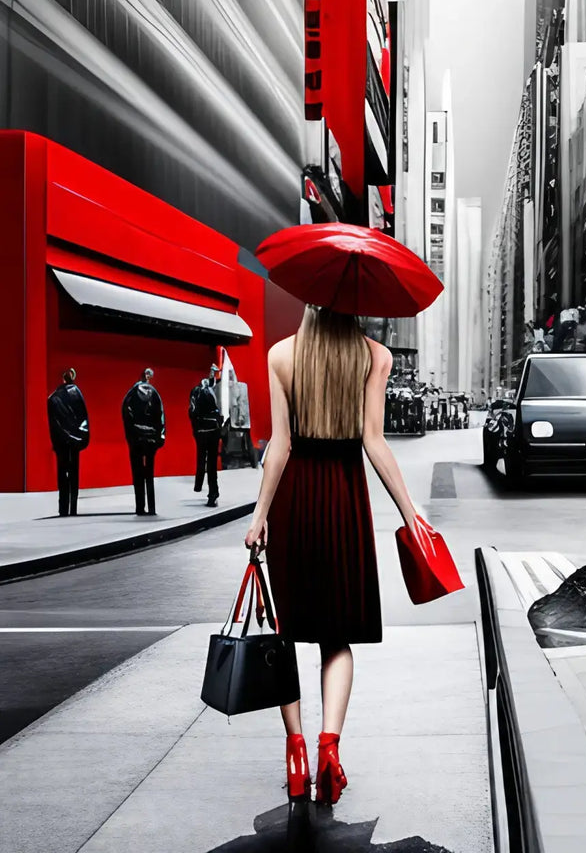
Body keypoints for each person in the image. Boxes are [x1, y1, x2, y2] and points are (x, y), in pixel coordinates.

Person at [243, 306, 428, 806]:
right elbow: (374, 442)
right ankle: (330, 748)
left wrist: (260, 517)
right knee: (336, 636)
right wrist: (410, 512)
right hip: (345, 499)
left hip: (295, 501)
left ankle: (297, 752)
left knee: (285, 636)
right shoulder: (375, 358)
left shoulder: (281, 355)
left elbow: (278, 447)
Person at [47, 368, 90, 516]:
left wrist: (58, 440)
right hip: (75, 442)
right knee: (74, 473)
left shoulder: (53, 398)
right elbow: (84, 418)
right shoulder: (77, 394)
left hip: (61, 442)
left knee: (62, 473)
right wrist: (80, 437)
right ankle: (73, 507)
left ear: (63, 379)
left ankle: (63, 507)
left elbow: (53, 424)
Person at [122, 368, 165, 515]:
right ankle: (152, 507)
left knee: (137, 473)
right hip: (151, 438)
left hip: (136, 438)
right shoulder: (155, 394)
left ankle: (140, 506)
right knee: (150, 474)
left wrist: (130, 435)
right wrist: (159, 437)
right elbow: (160, 417)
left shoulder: (132, 393)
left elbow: (126, 413)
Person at [190, 364, 222, 507]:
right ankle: (212, 493)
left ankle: (199, 486)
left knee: (201, 459)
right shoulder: (211, 392)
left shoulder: (196, 392)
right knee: (212, 464)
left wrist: (196, 429)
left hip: (201, 431)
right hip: (213, 430)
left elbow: (192, 412)